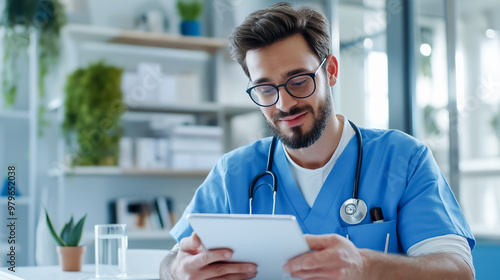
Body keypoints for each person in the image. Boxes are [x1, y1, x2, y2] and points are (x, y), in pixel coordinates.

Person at [160, 2, 475, 280]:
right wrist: (177, 271)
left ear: (332, 71)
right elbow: (172, 260)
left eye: (298, 81)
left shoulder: (403, 159)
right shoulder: (234, 173)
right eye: (266, 89)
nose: (284, 104)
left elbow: (459, 270)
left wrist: (369, 268)